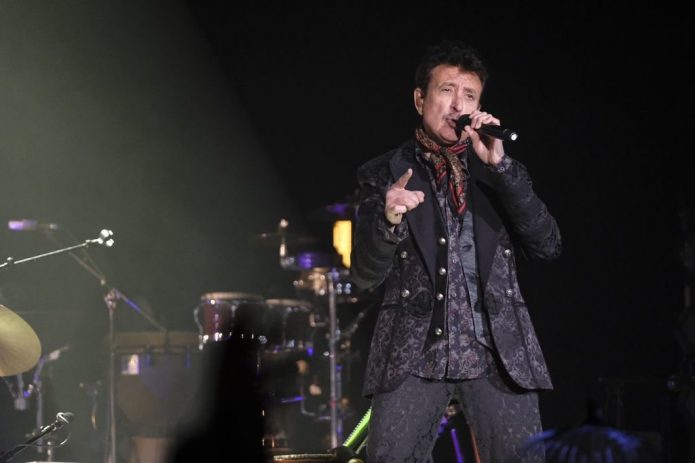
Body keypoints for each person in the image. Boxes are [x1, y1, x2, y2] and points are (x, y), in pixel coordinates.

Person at [349, 39, 562, 462]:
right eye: (446, 90)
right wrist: (388, 221)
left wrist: (501, 170)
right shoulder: (384, 173)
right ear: (420, 99)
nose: (457, 105)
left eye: (469, 95)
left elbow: (547, 245)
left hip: (497, 350)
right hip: (413, 353)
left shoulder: (499, 171)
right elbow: (364, 274)